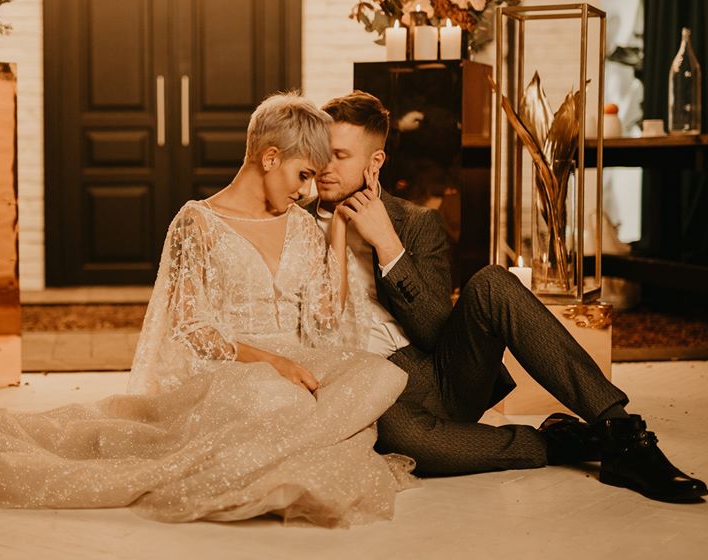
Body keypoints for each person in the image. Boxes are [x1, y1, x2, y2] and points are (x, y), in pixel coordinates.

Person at [0, 93, 416, 526]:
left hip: (295, 366)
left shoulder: (306, 227)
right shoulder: (198, 222)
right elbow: (192, 329)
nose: (308, 189)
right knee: (276, 400)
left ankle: (285, 444)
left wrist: (337, 232)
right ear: (268, 156)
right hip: (238, 371)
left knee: (376, 373)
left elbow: (325, 323)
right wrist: (271, 363)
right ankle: (274, 448)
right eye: (302, 174)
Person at [302, 90, 706, 504]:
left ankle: (623, 433)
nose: (325, 167)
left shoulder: (416, 223)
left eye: (340, 155)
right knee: (404, 440)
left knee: (492, 282)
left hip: (438, 376)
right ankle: (562, 443)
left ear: (375, 162)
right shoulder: (297, 223)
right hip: (366, 391)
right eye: (321, 153)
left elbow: (434, 332)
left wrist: (388, 245)